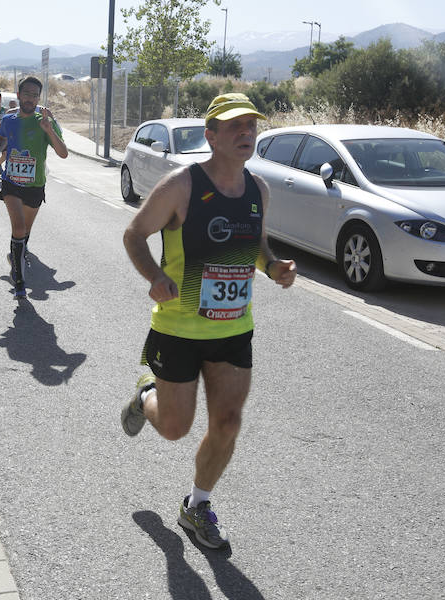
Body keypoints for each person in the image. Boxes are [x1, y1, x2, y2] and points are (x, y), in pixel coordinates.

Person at [119, 93, 297, 549]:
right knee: (174, 428)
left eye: (251, 125)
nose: (246, 133)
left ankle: (197, 505)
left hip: (233, 329)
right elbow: (135, 234)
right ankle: (145, 395)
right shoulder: (182, 185)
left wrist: (273, 266)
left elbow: (256, 244)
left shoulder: (259, 190)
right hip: (177, 329)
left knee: (229, 422)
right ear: (211, 136)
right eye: (235, 126)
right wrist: (155, 276)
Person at [0, 77, 68, 300]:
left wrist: (49, 130)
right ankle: (19, 282)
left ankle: (15, 257)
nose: (30, 99)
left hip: (35, 185)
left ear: (39, 98)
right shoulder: (9, 119)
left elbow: (63, 153)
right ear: (18, 95)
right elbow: (1, 138)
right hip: (11, 182)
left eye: (35, 95)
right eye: (27, 94)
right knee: (18, 228)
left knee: (24, 232)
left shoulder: (45, 121)